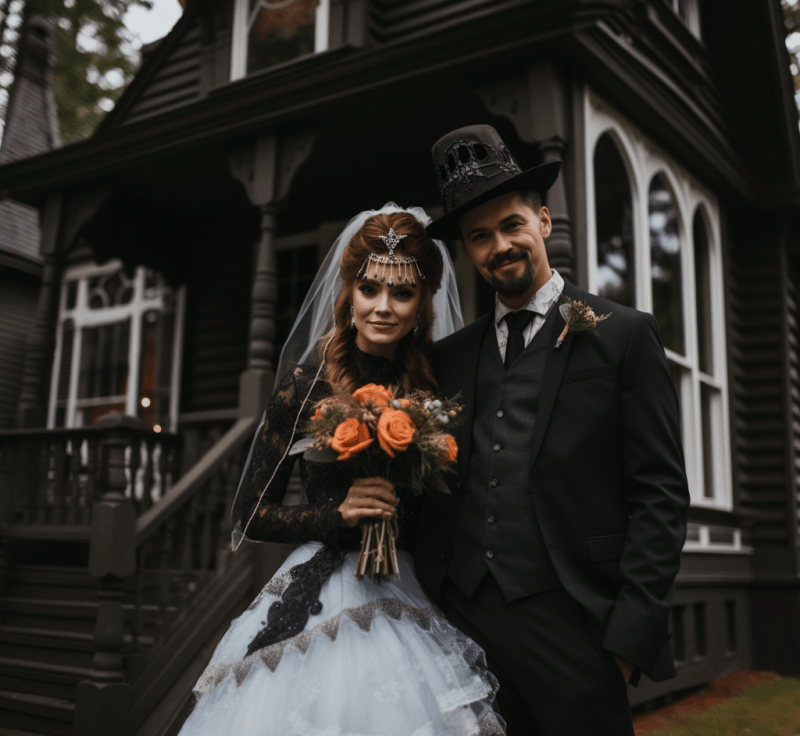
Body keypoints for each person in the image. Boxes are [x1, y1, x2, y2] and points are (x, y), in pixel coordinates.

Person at [179, 203, 506, 736]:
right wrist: (339, 514)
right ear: (349, 292)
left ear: (423, 301)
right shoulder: (306, 384)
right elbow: (251, 515)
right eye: (369, 289)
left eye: (402, 293)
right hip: (325, 591)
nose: (383, 307)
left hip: (407, 588)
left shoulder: (431, 388)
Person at [414, 124, 690, 736]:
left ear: (542, 220)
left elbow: (661, 496)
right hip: (458, 621)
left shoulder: (623, 335)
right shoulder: (449, 358)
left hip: (573, 625)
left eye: (511, 225)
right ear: (466, 250)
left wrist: (623, 645)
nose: (500, 246)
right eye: (479, 236)